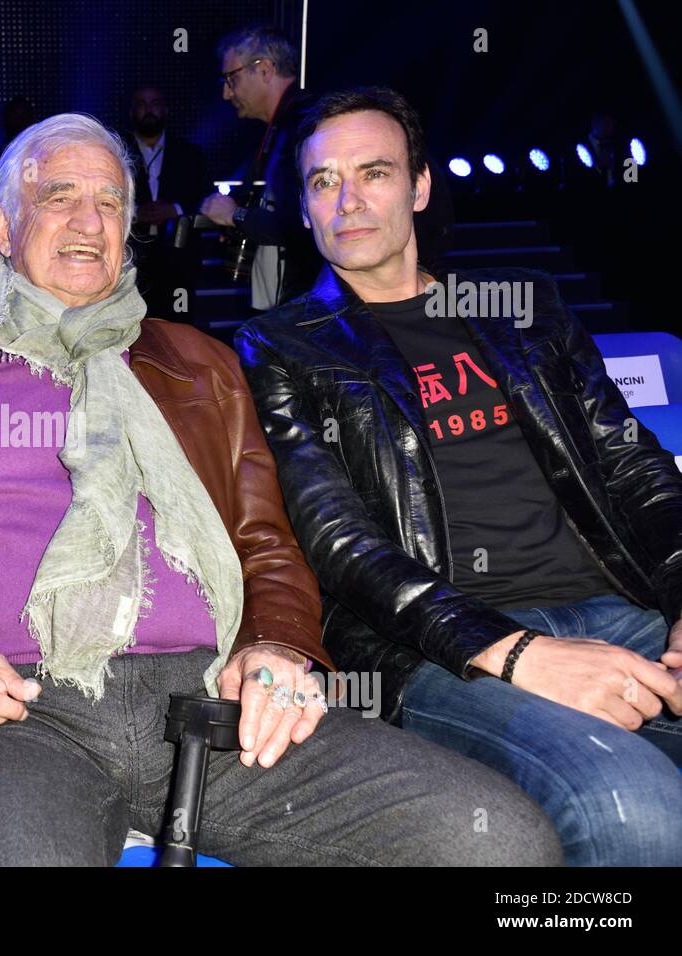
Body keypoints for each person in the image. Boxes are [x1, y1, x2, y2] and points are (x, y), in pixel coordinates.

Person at [0, 112, 561, 867]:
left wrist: (276, 647)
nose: (89, 220)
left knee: (502, 841)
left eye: (110, 202)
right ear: (2, 224)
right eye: (60, 195)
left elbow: (269, 545)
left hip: (215, 701)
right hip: (16, 716)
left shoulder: (201, 364)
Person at [237, 86, 682, 866]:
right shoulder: (282, 346)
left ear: (419, 187)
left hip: (621, 613)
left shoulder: (523, 308)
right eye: (322, 181)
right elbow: (342, 545)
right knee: (632, 812)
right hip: (443, 652)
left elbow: (637, 471)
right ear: (303, 208)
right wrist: (516, 652)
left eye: (374, 172)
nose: (348, 200)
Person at [199, 25, 320, 310]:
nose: (226, 94)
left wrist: (236, 216)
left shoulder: (306, 128)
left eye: (232, 79)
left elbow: (307, 226)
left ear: (264, 70)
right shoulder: (283, 129)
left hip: (304, 308)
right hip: (289, 306)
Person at [124, 85, 209, 320]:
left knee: (179, 337)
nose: (148, 110)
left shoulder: (191, 154)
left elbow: (207, 199)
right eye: (142, 104)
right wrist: (134, 214)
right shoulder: (116, 153)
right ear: (131, 112)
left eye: (155, 103)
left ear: (166, 110)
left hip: (178, 264)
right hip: (130, 267)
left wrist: (174, 210)